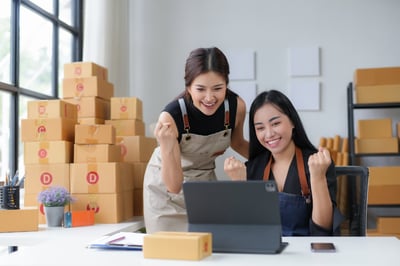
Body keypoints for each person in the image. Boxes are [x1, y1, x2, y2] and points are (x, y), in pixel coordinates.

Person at [143, 47, 249, 233]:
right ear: (188, 87)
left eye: (218, 88)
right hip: (166, 191)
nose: (209, 98)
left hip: (203, 185)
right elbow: (174, 186)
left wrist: (275, 158)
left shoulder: (236, 106)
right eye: (200, 89)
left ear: (227, 84)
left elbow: (238, 142)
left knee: (210, 250)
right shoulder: (171, 117)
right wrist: (167, 145)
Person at [224, 90, 342, 236]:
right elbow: (245, 231)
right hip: (266, 255)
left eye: (275, 123)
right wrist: (239, 185)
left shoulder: (316, 164)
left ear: (292, 121)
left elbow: (324, 229)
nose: (269, 134)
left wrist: (318, 177)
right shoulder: (252, 168)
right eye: (260, 128)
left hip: (308, 254)